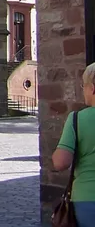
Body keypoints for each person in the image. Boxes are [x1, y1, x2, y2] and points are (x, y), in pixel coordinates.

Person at [52, 61, 95, 227]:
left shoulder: (77, 119)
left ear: (92, 88)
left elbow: (61, 163)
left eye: (84, 86)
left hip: (87, 198)